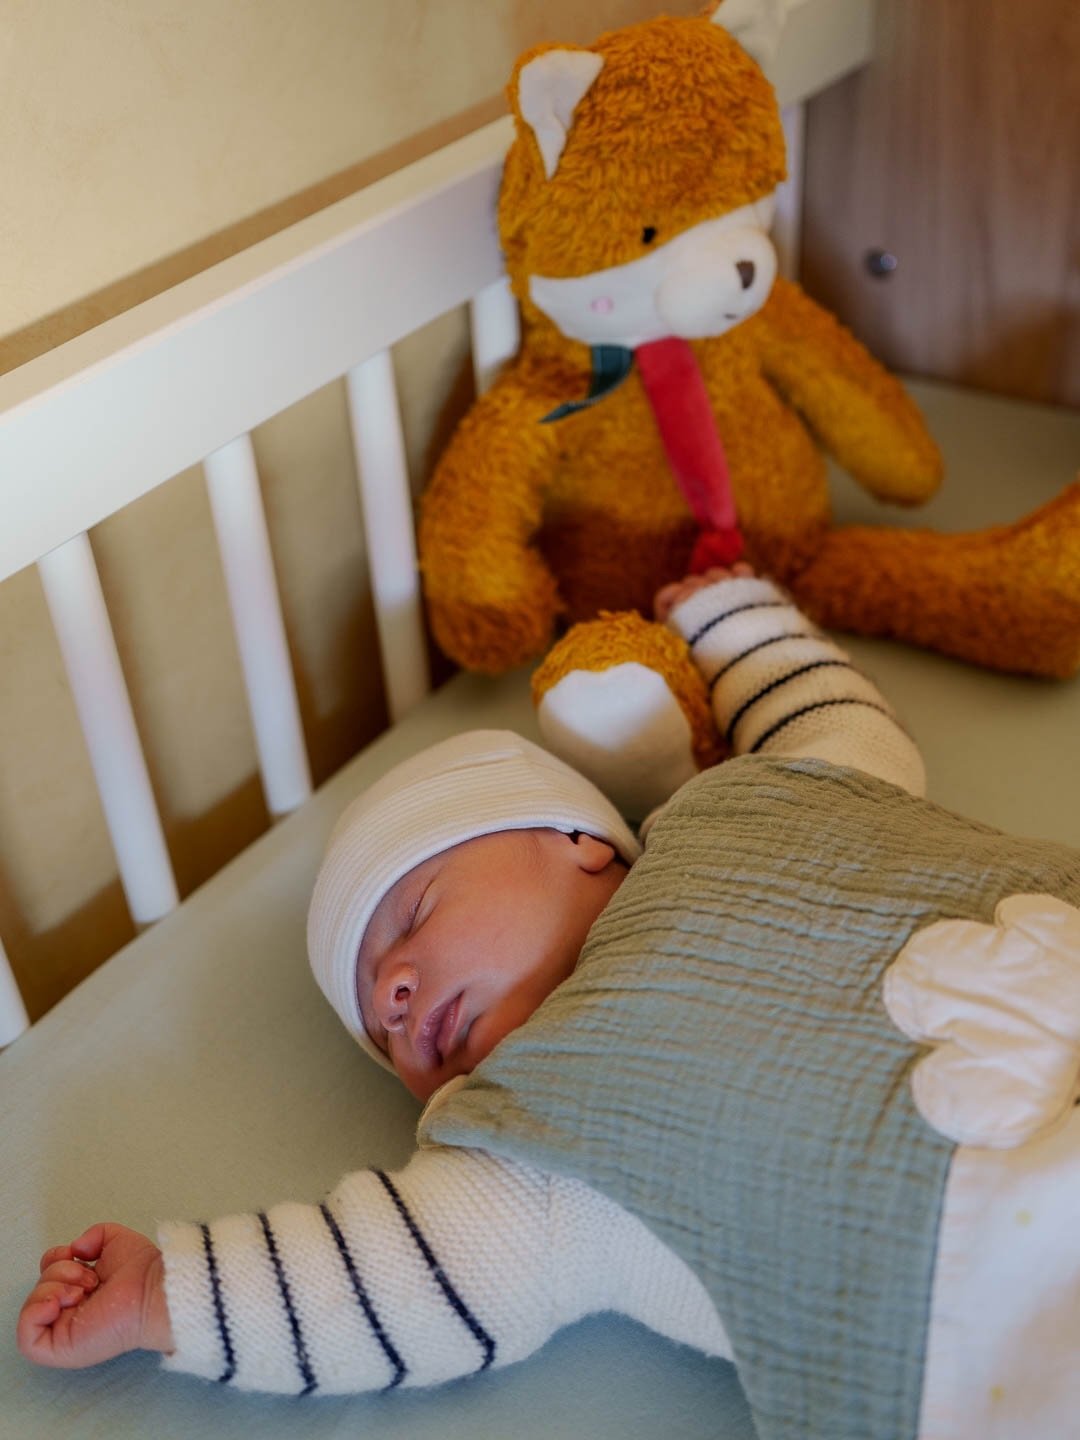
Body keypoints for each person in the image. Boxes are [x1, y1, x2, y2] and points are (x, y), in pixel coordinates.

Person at [18, 567, 1078, 1437]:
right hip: (1018, 1286)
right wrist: (169, 1296)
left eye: (414, 914)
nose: (392, 999)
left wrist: (734, 618)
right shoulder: (536, 1141)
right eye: (380, 1031)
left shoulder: (754, 813)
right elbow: (392, 1283)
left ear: (579, 844)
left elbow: (844, 734)